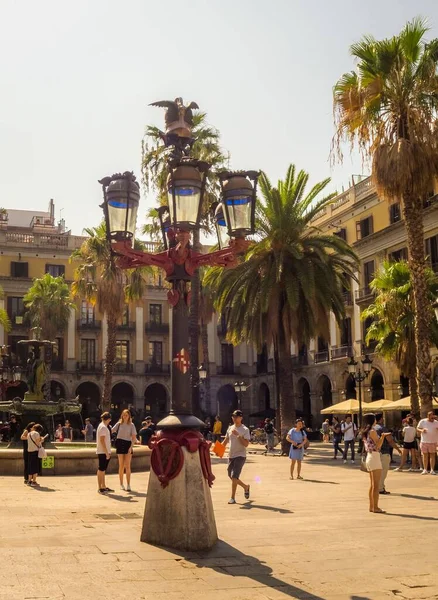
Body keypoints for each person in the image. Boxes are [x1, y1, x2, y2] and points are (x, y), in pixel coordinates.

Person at [361, 413, 392, 513]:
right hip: (374, 456)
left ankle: (371, 506)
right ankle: (376, 507)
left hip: (370, 456)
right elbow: (378, 445)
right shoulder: (372, 431)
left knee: (372, 484)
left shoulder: (365, 432)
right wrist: (382, 437)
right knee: (376, 485)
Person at [221, 409, 251, 504]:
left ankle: (232, 498)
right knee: (230, 475)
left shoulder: (245, 429)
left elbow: (246, 444)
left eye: (236, 417)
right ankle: (246, 487)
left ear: (241, 418)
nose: (234, 418)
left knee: (234, 476)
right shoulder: (230, 428)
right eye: (233, 416)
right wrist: (218, 449)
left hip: (240, 455)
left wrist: (238, 436)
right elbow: (225, 441)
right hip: (231, 455)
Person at [374, 413, 401, 494]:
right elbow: (390, 440)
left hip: (375, 452)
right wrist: (398, 449)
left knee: (377, 471)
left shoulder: (373, 428)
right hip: (384, 452)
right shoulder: (383, 429)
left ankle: (377, 487)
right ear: (381, 419)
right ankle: (380, 488)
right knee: (383, 471)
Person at [111, 409, 138, 491]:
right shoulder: (119, 424)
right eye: (123, 415)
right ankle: (121, 483)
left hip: (128, 444)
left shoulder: (132, 425)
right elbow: (112, 430)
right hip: (120, 442)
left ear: (129, 416)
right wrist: (117, 425)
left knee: (127, 465)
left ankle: (128, 484)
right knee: (121, 465)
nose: (125, 416)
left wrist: (131, 446)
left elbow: (134, 437)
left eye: (126, 415)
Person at [96, 412, 113, 494]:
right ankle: (100, 487)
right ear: (108, 419)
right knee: (101, 469)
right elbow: (102, 441)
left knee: (103, 469)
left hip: (104, 451)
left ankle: (103, 485)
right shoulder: (103, 427)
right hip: (103, 451)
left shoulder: (102, 426)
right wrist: (106, 453)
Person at [417, 411, 438, 475]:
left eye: (432, 416)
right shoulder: (423, 421)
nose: (431, 417)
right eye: (430, 416)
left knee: (432, 455)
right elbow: (417, 428)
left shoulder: (436, 422)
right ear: (428, 416)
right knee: (425, 455)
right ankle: (425, 469)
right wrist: (422, 430)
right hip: (424, 441)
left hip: (433, 441)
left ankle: (432, 470)